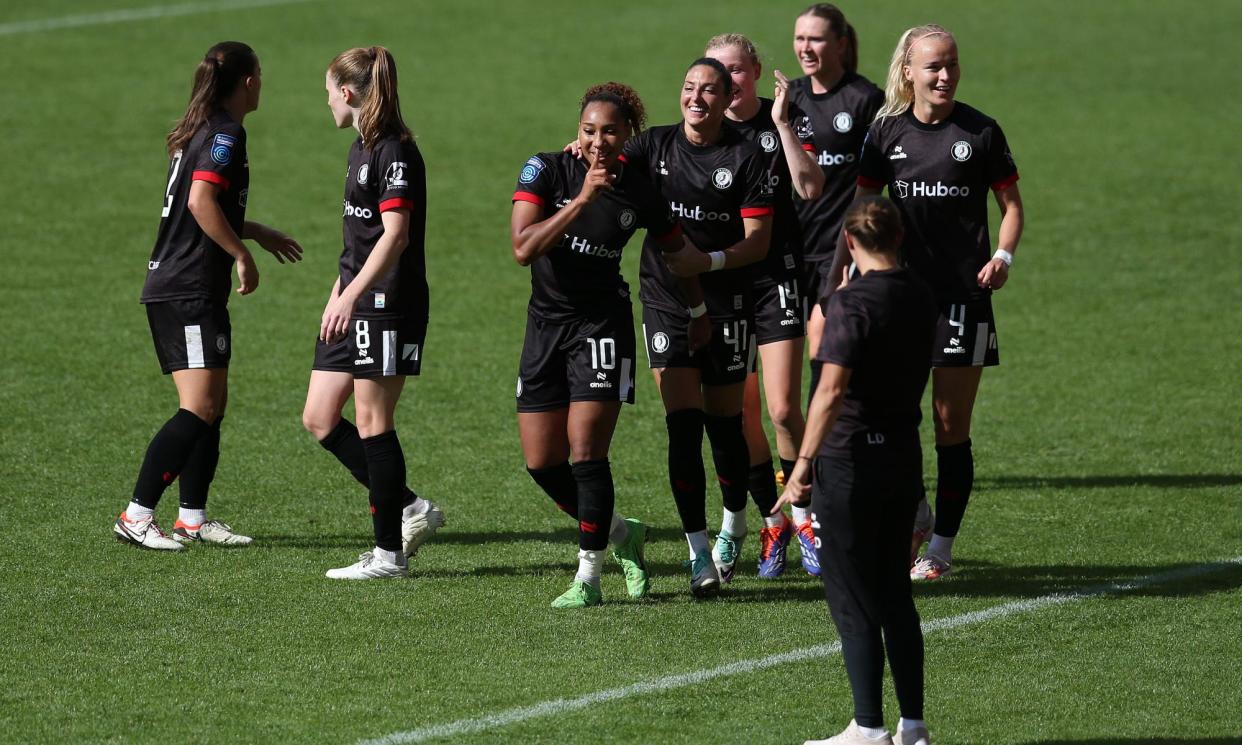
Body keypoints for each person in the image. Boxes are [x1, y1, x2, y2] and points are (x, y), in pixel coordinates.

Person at [826, 24, 1024, 581]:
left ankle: (939, 547)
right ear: (908, 71)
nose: (945, 76)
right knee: (894, 415)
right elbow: (862, 210)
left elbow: (1011, 205)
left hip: (964, 298)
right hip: (900, 299)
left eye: (952, 65)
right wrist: (849, 274)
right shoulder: (885, 133)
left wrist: (1003, 258)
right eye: (934, 66)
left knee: (948, 424)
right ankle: (913, 514)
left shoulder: (980, 132)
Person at [115, 41, 303, 551]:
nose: (263, 83)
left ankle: (192, 519)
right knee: (198, 406)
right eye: (260, 75)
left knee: (212, 406)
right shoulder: (225, 133)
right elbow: (199, 201)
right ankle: (136, 515)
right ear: (247, 82)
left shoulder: (201, 130)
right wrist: (241, 253)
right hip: (187, 288)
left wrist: (255, 230)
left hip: (183, 285)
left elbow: (196, 206)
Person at [509, 83, 677, 608]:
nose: (597, 142)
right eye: (588, 130)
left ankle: (588, 578)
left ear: (628, 135)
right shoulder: (545, 170)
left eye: (609, 131)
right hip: (545, 327)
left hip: (602, 326)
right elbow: (522, 248)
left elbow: (677, 249)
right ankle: (624, 534)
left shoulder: (639, 189)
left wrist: (694, 310)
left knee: (586, 452)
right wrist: (582, 199)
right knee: (541, 462)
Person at [776, 196, 935, 745]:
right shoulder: (921, 294)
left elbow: (830, 390)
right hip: (902, 458)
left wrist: (801, 467)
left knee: (851, 594)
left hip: (850, 467)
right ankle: (912, 725)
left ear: (849, 243)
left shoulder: (851, 306)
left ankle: (867, 728)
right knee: (894, 591)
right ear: (899, 238)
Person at [622, 58, 774, 597]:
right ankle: (698, 552)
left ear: (727, 96)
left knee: (725, 426)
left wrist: (705, 263)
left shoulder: (746, 155)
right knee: (683, 428)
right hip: (665, 302)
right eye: (689, 88)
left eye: (708, 90)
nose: (696, 98)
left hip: (728, 302)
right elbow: (605, 161)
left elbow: (757, 240)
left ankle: (735, 522)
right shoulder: (653, 147)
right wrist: (576, 151)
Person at [301, 46, 440, 580]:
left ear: (349, 93)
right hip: (355, 296)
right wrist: (338, 292)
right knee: (318, 416)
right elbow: (361, 239)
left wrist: (354, 293)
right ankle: (409, 507)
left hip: (386, 303)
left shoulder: (395, 152)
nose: (327, 104)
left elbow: (396, 236)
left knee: (372, 421)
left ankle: (388, 556)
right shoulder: (362, 148)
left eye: (328, 94)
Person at [704, 33, 824, 580]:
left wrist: (780, 124)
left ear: (755, 71)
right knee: (742, 416)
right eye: (718, 73)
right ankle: (770, 523)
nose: (728, 82)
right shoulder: (703, 129)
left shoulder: (785, 124)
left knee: (781, 408)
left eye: (737, 70)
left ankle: (805, 515)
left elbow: (810, 188)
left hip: (776, 277)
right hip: (725, 284)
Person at [786, 4, 884, 406]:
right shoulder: (789, 98)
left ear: (840, 44)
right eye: (799, 38)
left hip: (840, 250)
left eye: (816, 39)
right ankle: (805, 459)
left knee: (823, 343)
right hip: (790, 249)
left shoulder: (865, 100)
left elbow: (878, 183)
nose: (805, 48)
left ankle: (825, 458)